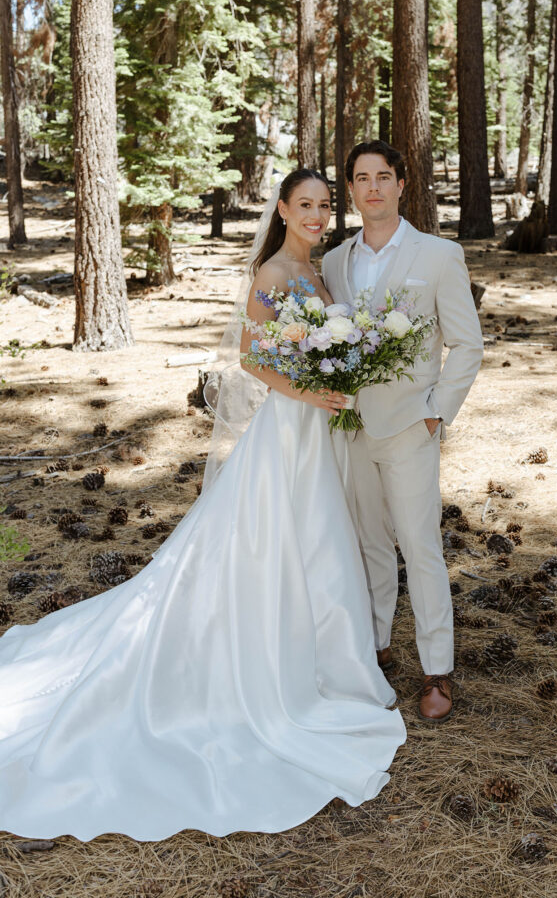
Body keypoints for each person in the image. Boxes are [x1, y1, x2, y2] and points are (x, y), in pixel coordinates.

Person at [0, 168, 406, 843]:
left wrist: (341, 372)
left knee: (320, 543)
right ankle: (277, 664)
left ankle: (328, 657)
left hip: (324, 429)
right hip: (290, 430)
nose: (315, 214)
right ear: (280, 208)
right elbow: (253, 359)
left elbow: (320, 345)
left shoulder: (322, 270)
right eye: (304, 204)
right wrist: (310, 393)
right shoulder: (274, 273)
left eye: (323, 205)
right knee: (281, 539)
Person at [322, 141, 483, 724]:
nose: (373, 188)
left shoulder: (439, 255)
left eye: (383, 177)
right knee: (367, 544)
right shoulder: (336, 262)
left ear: (401, 184)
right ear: (352, 189)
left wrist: (437, 411)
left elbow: (467, 342)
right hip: (351, 427)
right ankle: (377, 646)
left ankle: (437, 668)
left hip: (412, 426)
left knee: (421, 548)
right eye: (362, 178)